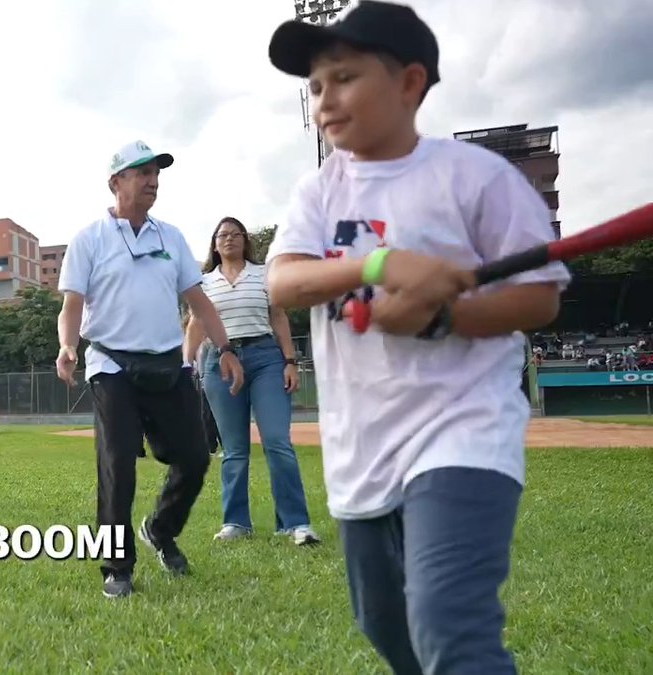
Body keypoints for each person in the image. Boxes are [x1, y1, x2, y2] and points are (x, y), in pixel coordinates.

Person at [264, 2, 570, 672]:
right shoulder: (318, 192)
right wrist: (379, 263)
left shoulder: (476, 177)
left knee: (447, 623)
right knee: (387, 626)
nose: (324, 101)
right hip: (363, 442)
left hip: (462, 429)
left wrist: (442, 316)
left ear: (408, 83)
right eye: (315, 87)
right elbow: (283, 284)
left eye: (343, 78)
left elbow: (541, 295)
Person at [56, 140, 243, 599]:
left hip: (168, 364)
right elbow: (71, 305)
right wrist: (67, 346)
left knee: (196, 457)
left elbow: (199, 302)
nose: (152, 180)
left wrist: (225, 348)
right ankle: (117, 568)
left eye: (156, 172)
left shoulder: (171, 237)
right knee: (118, 463)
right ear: (116, 182)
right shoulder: (89, 239)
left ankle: (160, 529)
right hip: (112, 364)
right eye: (141, 172)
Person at [184, 217, 320, 546]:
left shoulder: (263, 274)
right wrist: (185, 366)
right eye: (223, 235)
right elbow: (196, 324)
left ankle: (295, 523)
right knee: (234, 449)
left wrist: (290, 361)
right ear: (214, 244)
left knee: (277, 441)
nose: (229, 239)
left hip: (265, 359)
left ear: (246, 241)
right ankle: (236, 523)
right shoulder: (203, 282)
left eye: (236, 234)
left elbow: (278, 316)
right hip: (220, 363)